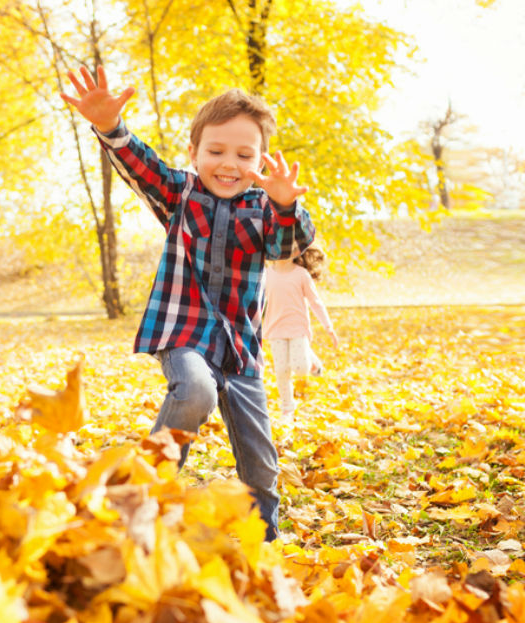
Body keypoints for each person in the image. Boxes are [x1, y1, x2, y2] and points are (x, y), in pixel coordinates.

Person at [61, 66, 316, 541]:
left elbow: (286, 248)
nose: (228, 163)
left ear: (260, 160)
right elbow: (142, 168)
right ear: (194, 153)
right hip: (184, 336)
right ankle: (136, 502)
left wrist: (284, 205)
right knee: (195, 390)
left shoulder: (264, 209)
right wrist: (110, 128)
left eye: (244, 154)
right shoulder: (180, 193)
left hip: (240, 353)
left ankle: (266, 540)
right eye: (215, 151)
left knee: (260, 462)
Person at [264, 244, 339, 423]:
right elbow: (258, 302)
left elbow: (315, 302)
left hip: (298, 327)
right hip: (275, 328)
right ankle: (287, 409)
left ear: (297, 251)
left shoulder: (301, 275)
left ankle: (311, 360)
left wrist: (329, 327)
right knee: (281, 371)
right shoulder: (266, 274)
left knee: (300, 369)